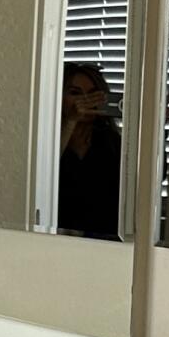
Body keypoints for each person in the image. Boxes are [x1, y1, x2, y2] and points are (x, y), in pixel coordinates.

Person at [48, 61, 124, 241]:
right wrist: (71, 121)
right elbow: (42, 174)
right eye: (75, 93)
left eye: (92, 95)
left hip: (106, 243)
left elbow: (143, 182)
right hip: (55, 240)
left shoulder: (112, 143)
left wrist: (153, 131)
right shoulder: (47, 139)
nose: (85, 101)